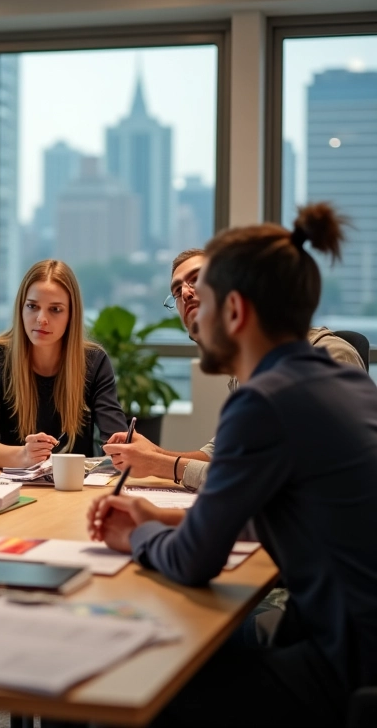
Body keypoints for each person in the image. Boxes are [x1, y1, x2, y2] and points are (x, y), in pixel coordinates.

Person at [88, 203, 377, 727]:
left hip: (343, 663)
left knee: (134, 679)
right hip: (355, 636)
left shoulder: (265, 399)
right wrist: (165, 519)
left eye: (207, 299)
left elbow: (196, 561)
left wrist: (134, 539)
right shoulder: (343, 383)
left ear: (237, 312)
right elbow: (281, 510)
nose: (192, 310)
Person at [103, 228, 366, 491]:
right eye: (177, 291)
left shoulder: (328, 358)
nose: (185, 293)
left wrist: (163, 465)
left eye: (197, 279)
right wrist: (154, 455)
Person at [0, 259, 127, 468]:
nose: (41, 319)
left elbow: (115, 438)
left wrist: (121, 447)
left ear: (71, 315)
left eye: (55, 309)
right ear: (21, 308)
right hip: (10, 488)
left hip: (73, 489)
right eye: (32, 306)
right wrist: (24, 455)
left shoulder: (93, 361)